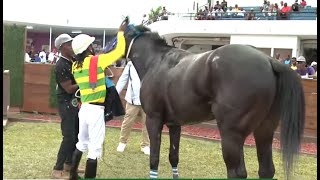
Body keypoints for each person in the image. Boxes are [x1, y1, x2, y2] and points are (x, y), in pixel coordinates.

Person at [68, 18, 128, 180]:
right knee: (94, 149)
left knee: (82, 143)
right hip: (95, 111)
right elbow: (119, 51)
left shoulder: (75, 66)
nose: (93, 47)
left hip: (84, 108)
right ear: (87, 48)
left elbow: (91, 73)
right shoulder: (96, 61)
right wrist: (121, 32)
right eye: (91, 45)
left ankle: (73, 175)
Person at [52, 34, 83, 179]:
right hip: (65, 103)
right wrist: (86, 82)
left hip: (74, 103)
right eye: (69, 44)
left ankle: (69, 164)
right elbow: (69, 88)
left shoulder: (72, 61)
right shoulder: (60, 65)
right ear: (61, 47)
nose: (72, 47)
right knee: (68, 136)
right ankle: (57, 168)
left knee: (76, 134)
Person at [115, 61, 150, 155]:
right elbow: (123, 79)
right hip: (132, 100)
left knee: (148, 123)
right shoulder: (130, 65)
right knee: (127, 121)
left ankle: (145, 145)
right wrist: (115, 94)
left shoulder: (151, 62)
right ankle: (122, 142)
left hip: (147, 100)